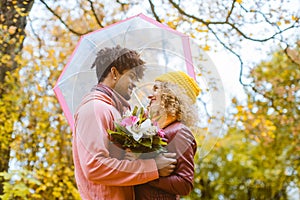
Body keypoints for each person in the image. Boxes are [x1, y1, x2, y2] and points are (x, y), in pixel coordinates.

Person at [72, 45, 177, 200]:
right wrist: (153, 167)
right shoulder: (95, 109)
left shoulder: (115, 110)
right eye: (132, 76)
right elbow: (95, 167)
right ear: (114, 73)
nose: (135, 83)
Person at [131, 71, 200, 200]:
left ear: (171, 95)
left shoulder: (179, 132)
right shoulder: (154, 129)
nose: (150, 96)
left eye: (156, 89)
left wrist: (148, 175)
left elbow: (185, 184)